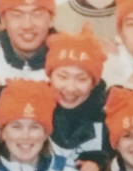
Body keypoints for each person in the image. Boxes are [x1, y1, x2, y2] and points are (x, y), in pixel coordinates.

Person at [46, 24, 110, 162]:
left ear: (94, 83)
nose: (71, 88)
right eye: (62, 77)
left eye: (81, 79)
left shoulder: (108, 118)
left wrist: (97, 164)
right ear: (50, 77)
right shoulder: (34, 109)